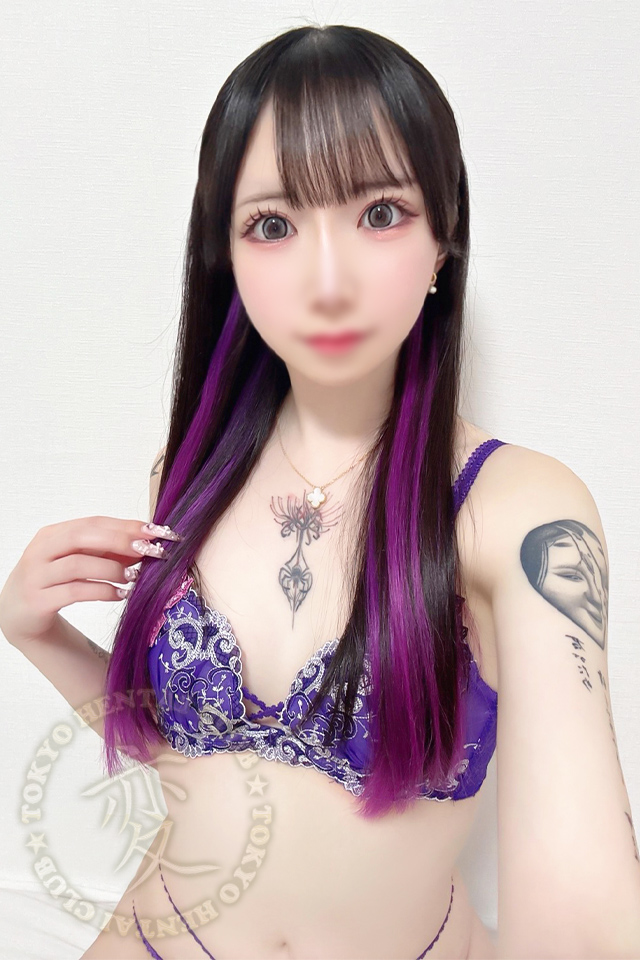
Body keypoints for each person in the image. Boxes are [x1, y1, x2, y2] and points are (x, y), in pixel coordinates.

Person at [2, 23, 638, 960]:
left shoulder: (517, 511)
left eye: (380, 213)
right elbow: (194, 759)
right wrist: (35, 633)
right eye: (274, 225)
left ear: (444, 241)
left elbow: (582, 904)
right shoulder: (189, 474)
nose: (327, 281)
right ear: (226, 255)